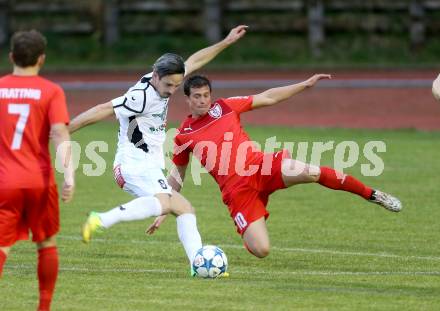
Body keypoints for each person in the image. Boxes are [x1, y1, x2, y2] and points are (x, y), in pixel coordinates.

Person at [146, 74, 402, 259]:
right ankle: (248, 231)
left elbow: (267, 97)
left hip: (261, 167)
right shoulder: (183, 135)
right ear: (187, 99)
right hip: (237, 191)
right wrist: (164, 207)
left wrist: (304, 85)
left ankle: (372, 194)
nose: (203, 100)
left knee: (310, 171)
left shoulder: (225, 107)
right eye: (197, 97)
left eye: (206, 95)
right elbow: (177, 176)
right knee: (262, 250)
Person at [68, 26, 248, 270]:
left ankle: (198, 264)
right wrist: (64, 130)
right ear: (155, 75)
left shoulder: (166, 77)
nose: (172, 91)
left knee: (185, 209)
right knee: (166, 203)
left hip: (148, 165)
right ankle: (101, 219)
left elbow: (196, 60)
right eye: (168, 86)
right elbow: (102, 109)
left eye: (176, 85)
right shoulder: (140, 96)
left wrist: (226, 42)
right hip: (132, 165)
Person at [0, 30, 74, 311]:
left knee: (1, 245)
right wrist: (69, 176)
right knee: (46, 243)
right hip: (38, 181)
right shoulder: (51, 91)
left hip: (4, 181)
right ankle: (44, 307)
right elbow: (59, 133)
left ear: (11, 57)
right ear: (42, 59)